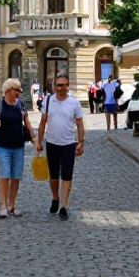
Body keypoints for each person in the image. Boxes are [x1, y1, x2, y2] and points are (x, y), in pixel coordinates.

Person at [36, 74, 85, 221]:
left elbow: (80, 123)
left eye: (64, 85)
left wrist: (81, 142)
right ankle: (55, 198)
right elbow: (43, 122)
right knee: (53, 175)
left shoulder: (74, 103)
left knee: (67, 175)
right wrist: (39, 141)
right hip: (52, 143)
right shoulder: (48, 101)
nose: (62, 88)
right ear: (54, 87)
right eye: (59, 85)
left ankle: (63, 206)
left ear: (67, 86)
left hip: (69, 144)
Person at [0, 78, 34, 219]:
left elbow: (28, 123)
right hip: (2, 147)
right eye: (16, 89)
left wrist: (34, 138)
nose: (19, 92)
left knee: (16, 177)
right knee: (4, 176)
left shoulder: (22, 105)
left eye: (20, 90)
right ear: (8, 90)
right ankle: (3, 206)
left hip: (19, 146)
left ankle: (12, 205)